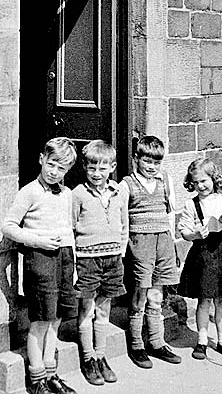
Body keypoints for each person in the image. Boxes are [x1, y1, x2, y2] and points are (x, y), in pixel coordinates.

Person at [1, 137, 78, 394]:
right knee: (40, 321)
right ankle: (37, 379)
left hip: (64, 260)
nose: (55, 172)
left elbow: (69, 230)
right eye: (52, 164)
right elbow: (9, 227)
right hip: (40, 261)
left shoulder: (66, 194)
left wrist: (73, 265)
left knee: (56, 319)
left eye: (62, 168)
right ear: (41, 159)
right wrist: (39, 241)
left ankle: (51, 372)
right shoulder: (29, 191)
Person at [120, 135, 181, 369]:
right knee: (140, 294)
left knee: (157, 294)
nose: (151, 167)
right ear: (136, 159)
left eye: (156, 162)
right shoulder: (127, 184)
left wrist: (173, 242)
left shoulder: (165, 180)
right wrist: (125, 247)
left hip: (163, 241)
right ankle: (136, 344)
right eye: (147, 161)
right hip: (140, 242)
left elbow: (170, 213)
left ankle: (157, 342)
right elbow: (122, 218)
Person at [72, 140, 128, 386]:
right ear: (85, 167)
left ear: (112, 167)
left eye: (102, 169)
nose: (97, 174)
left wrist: (121, 251)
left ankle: (101, 355)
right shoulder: (78, 194)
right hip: (86, 260)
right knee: (87, 309)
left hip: (113, 258)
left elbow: (124, 224)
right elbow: (70, 228)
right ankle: (88, 358)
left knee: (104, 308)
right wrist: (74, 263)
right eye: (92, 168)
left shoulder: (118, 193)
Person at [177, 158, 222, 361]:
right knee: (204, 299)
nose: (201, 186)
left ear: (214, 179)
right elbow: (184, 231)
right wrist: (195, 234)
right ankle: (202, 341)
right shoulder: (191, 204)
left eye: (204, 180)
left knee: (221, 299)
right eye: (196, 182)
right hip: (203, 255)